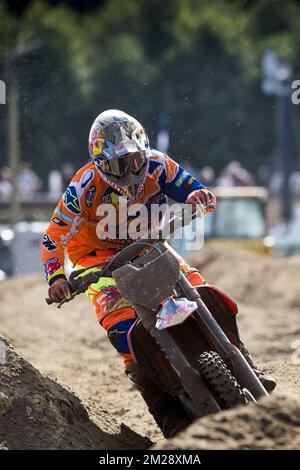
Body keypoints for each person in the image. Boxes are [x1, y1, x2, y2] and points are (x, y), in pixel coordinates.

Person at [41, 110, 276, 437]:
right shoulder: (83, 186)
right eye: (116, 166)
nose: (128, 171)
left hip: (149, 245)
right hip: (96, 263)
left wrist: (198, 196)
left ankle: (246, 364)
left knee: (199, 290)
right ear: (99, 164)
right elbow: (53, 234)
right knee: (124, 331)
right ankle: (168, 415)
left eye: (133, 161)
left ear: (144, 151)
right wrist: (57, 278)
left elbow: (191, 188)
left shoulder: (159, 165)